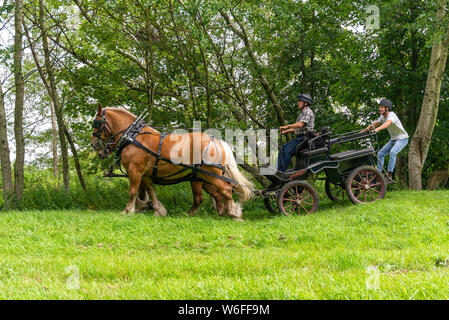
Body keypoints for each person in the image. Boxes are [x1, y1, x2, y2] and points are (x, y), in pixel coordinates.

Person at [361, 98, 408, 180]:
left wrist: (377, 130)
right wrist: (363, 132)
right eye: (379, 107)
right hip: (393, 139)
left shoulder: (391, 115)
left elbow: (387, 124)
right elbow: (374, 124)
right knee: (380, 153)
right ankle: (378, 173)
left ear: (387, 108)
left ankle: (389, 174)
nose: (379, 109)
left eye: (381, 107)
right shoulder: (382, 116)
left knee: (393, 152)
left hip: (402, 139)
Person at [277, 93, 315, 172]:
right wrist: (286, 131)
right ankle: (278, 169)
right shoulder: (301, 113)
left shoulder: (307, 112)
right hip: (300, 137)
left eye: (300, 101)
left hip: (305, 138)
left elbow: (300, 125)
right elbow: (298, 129)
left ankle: (281, 171)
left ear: (305, 103)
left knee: (288, 150)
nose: (298, 103)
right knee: (283, 147)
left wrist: (287, 126)